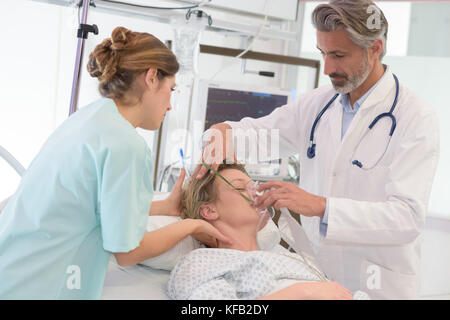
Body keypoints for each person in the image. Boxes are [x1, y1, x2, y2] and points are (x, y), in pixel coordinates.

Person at [195, 0, 440, 299]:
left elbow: (407, 218)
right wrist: (221, 135)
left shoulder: (414, 117)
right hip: (317, 277)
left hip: (378, 283)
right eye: (323, 53)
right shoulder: (318, 104)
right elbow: (258, 134)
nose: (328, 68)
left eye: (338, 55)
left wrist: (322, 206)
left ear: (375, 49)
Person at [0, 26, 228, 299]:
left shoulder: (87, 119)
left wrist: (164, 207)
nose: (170, 106)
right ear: (152, 77)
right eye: (172, 90)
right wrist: (192, 226)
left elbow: (90, 208)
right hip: (43, 287)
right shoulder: (126, 146)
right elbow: (129, 252)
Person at [168, 163, 357, 300]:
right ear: (209, 211)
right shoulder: (202, 263)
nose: (256, 193)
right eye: (241, 187)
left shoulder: (291, 259)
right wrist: (302, 293)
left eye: (255, 186)